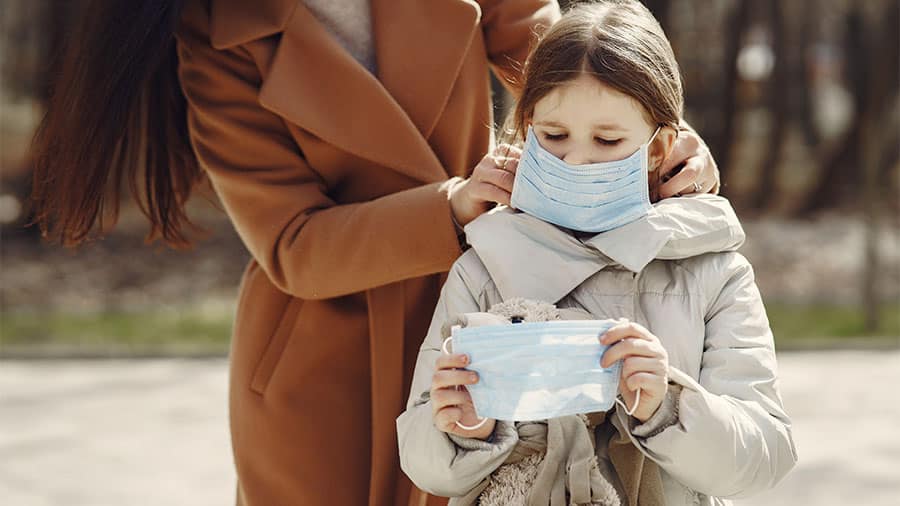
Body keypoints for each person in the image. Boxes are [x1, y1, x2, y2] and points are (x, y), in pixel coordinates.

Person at [29, 0, 722, 504]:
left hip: (482, 326)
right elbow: (294, 243)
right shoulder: (217, 37)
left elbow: (574, 66)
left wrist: (665, 136)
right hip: (320, 368)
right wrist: (451, 205)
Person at [397, 1, 797, 505]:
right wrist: (464, 429)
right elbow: (421, 455)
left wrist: (667, 407)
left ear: (659, 147)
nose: (578, 160)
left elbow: (765, 456)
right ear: (525, 131)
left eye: (608, 140)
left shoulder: (714, 270)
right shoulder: (483, 265)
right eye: (554, 136)